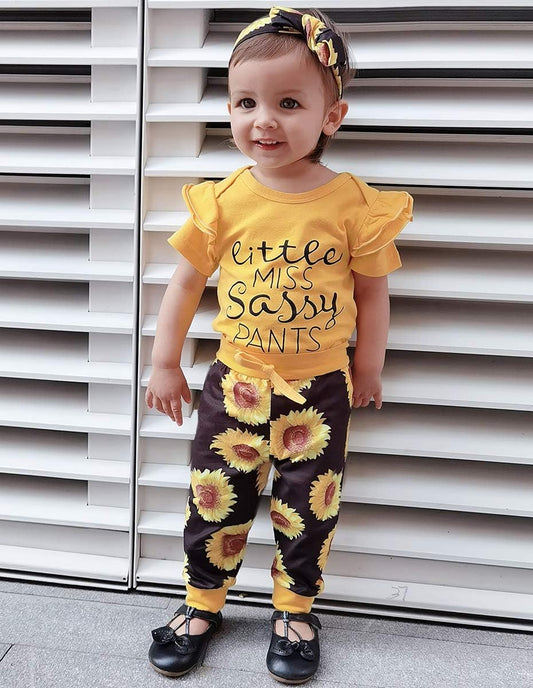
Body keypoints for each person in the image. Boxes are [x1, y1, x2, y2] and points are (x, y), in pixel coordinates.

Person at [146, 6, 413, 684]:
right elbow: (184, 285)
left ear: (331, 116)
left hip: (319, 388)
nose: (263, 120)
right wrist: (164, 363)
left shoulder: (353, 205)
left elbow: (373, 293)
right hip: (233, 384)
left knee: (309, 505)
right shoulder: (223, 201)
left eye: (288, 103)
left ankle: (295, 612)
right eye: (246, 102)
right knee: (216, 496)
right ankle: (202, 603)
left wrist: (368, 365)